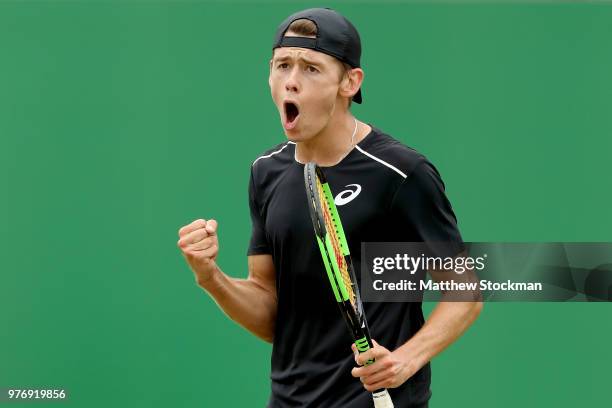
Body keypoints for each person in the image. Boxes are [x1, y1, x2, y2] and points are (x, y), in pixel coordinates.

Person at [177, 7, 482, 407]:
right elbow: (271, 312)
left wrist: (404, 361)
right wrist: (210, 276)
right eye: (282, 66)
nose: (291, 82)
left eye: (311, 69)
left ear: (350, 82)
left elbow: (466, 291)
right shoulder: (266, 172)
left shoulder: (401, 173)